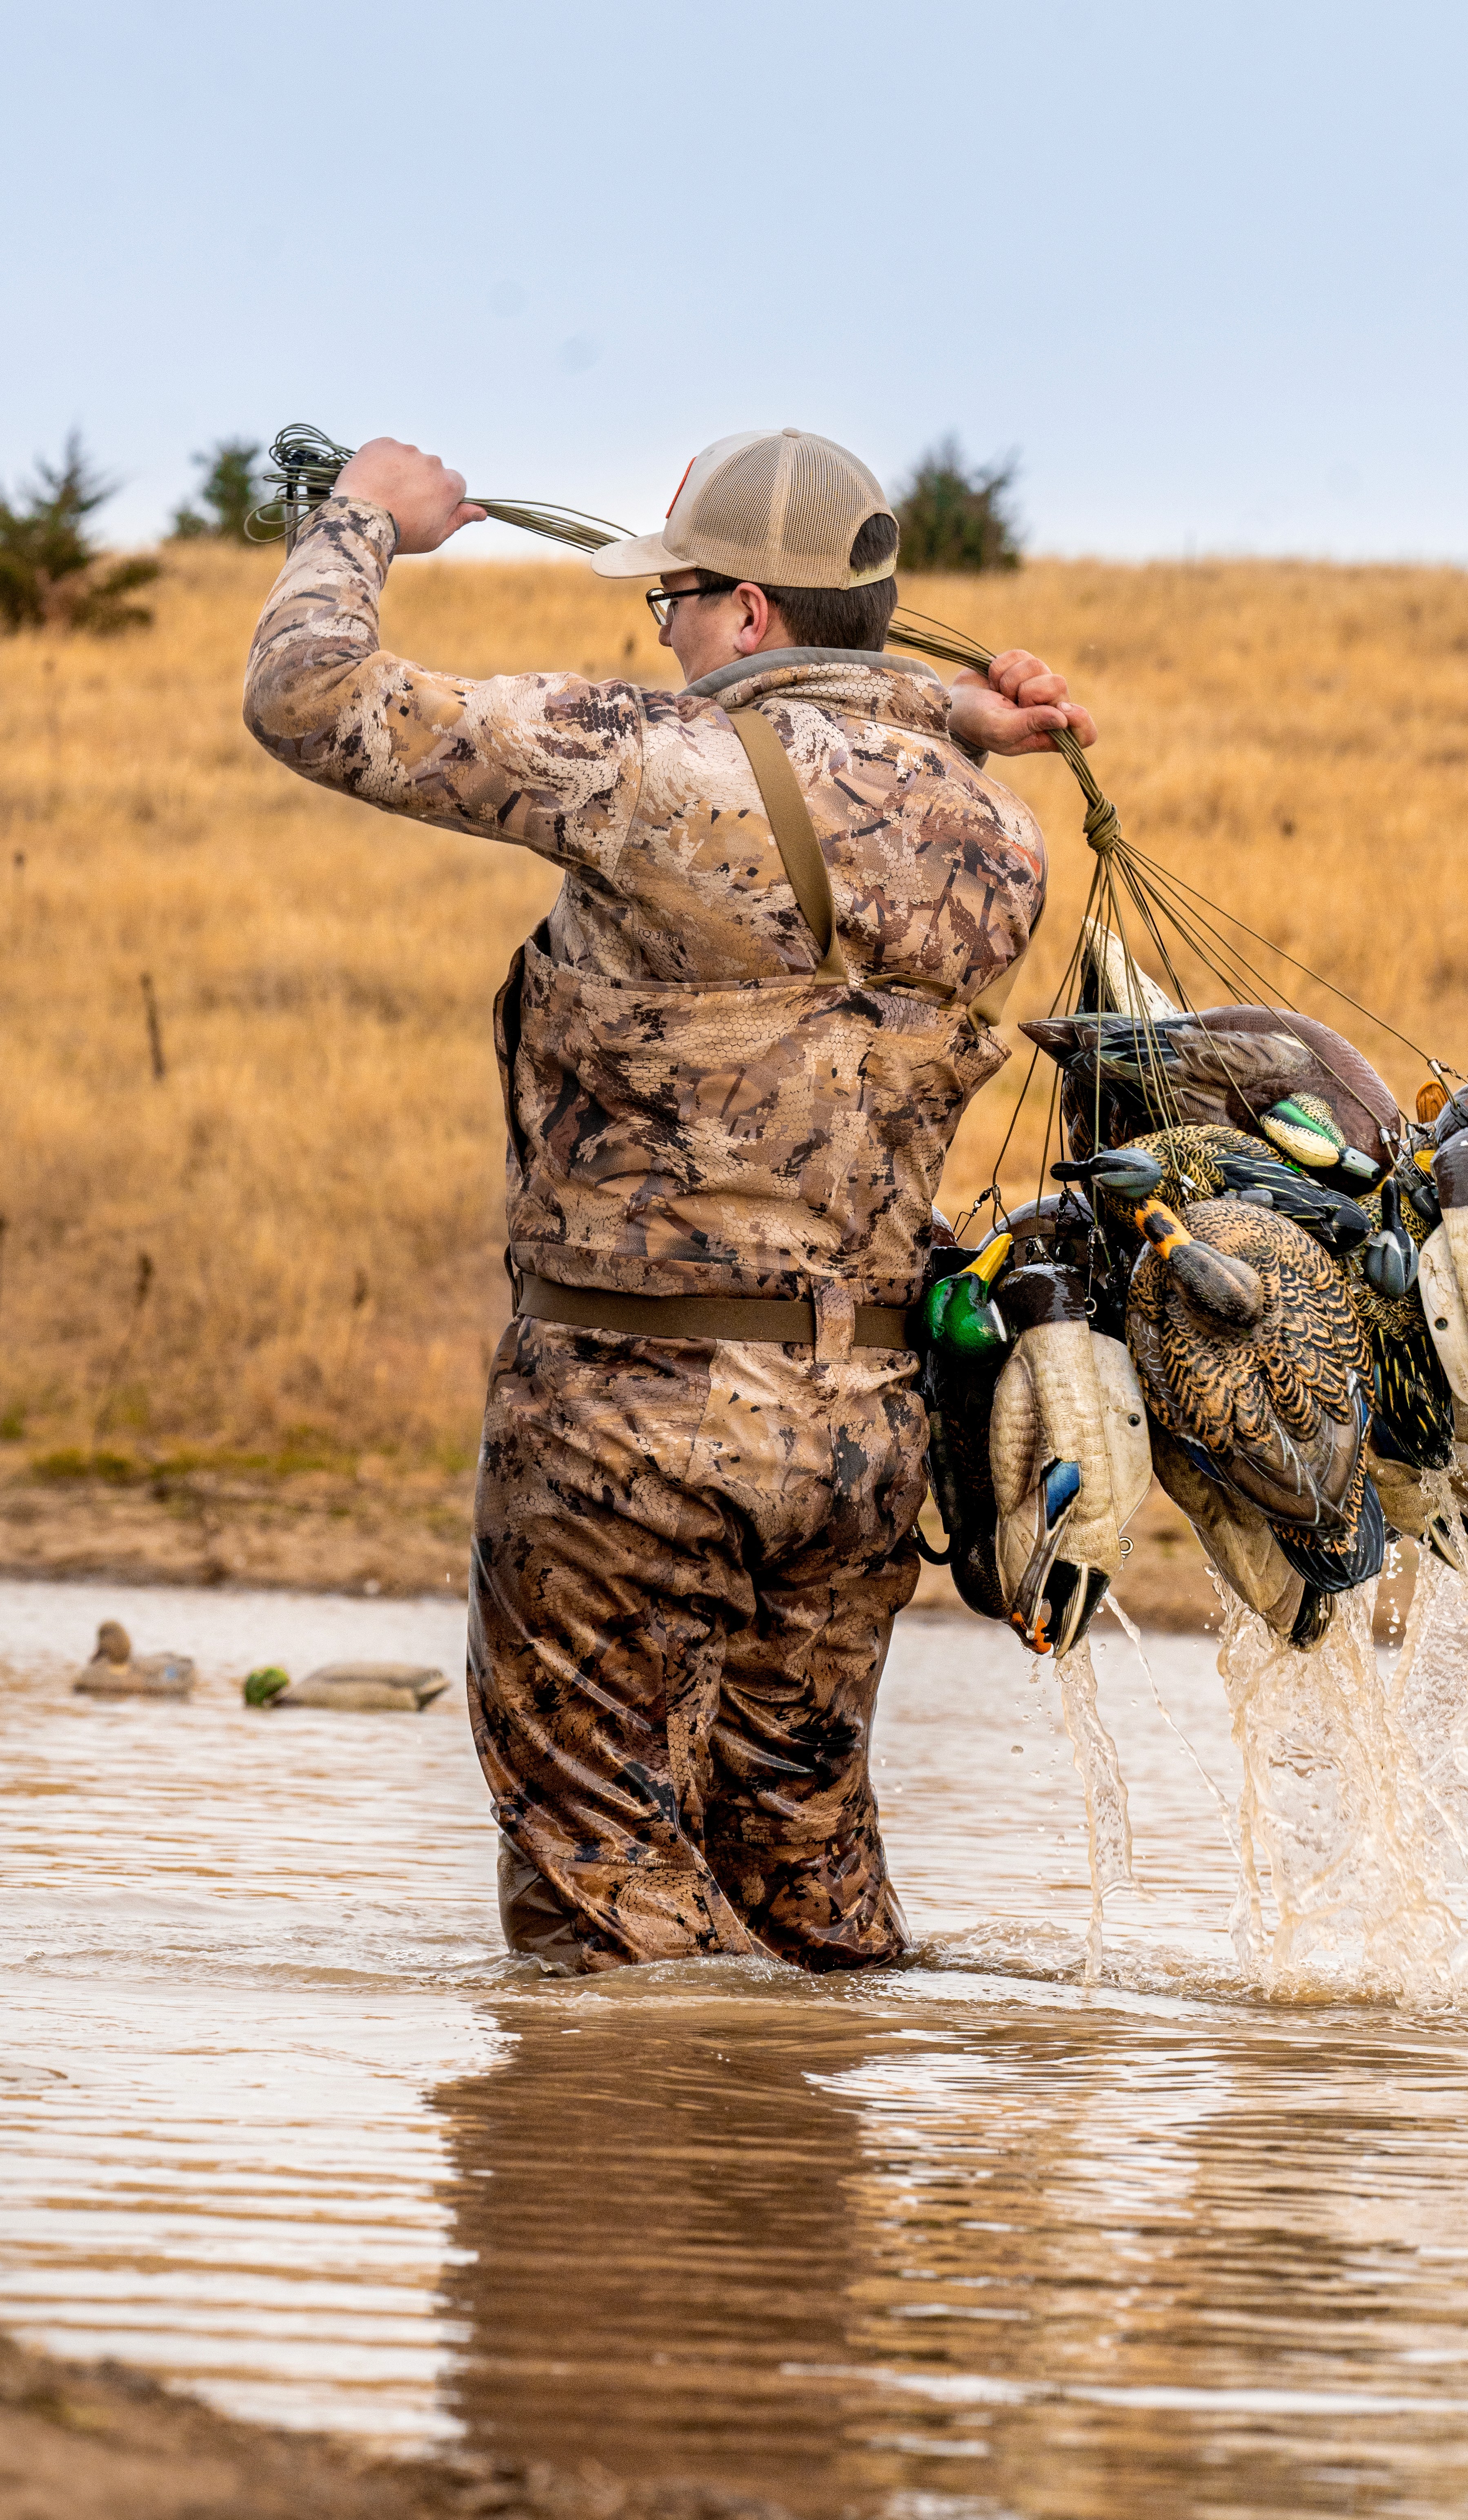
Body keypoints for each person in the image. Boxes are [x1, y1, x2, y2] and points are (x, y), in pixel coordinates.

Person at [243, 428, 1094, 1974]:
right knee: (808, 1880)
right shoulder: (996, 831)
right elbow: (840, 755)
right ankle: (814, 2195)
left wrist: (360, 519)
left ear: (751, 613)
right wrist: (941, 710)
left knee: (600, 1902)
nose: (666, 635)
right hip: (861, 1442)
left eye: (677, 603)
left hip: (630, 1424)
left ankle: (633, 2184)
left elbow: (311, 699)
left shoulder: (648, 769)